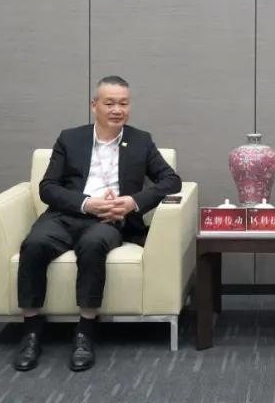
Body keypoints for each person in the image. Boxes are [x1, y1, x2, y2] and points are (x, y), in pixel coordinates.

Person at [13, 75, 182, 372]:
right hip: (66, 214)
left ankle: (85, 331)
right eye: (110, 103)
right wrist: (86, 203)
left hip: (110, 219)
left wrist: (132, 202)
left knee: (92, 245)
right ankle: (31, 332)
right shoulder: (70, 138)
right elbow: (48, 187)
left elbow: (171, 180)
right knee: (35, 244)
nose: (117, 110)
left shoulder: (140, 141)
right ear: (94, 105)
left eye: (124, 103)